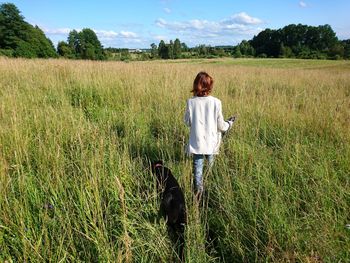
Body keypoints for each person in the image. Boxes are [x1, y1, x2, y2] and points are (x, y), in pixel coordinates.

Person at [184, 71, 234, 196]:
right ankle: (211, 190)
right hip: (212, 143)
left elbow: (187, 122)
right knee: (210, 169)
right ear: (210, 86)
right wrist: (229, 124)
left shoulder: (191, 102)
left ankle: (199, 195)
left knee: (198, 171)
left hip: (197, 144)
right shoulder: (216, 102)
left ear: (196, 85)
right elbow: (221, 125)